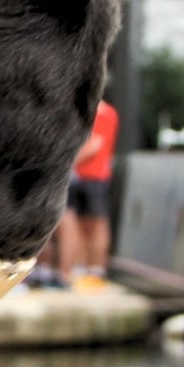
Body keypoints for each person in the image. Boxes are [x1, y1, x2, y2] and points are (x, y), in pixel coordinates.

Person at [56, 97, 119, 286]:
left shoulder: (103, 113)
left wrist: (63, 165)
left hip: (95, 176)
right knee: (81, 225)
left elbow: (94, 145)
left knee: (96, 224)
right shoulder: (94, 111)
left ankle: (96, 269)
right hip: (82, 176)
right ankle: (82, 268)